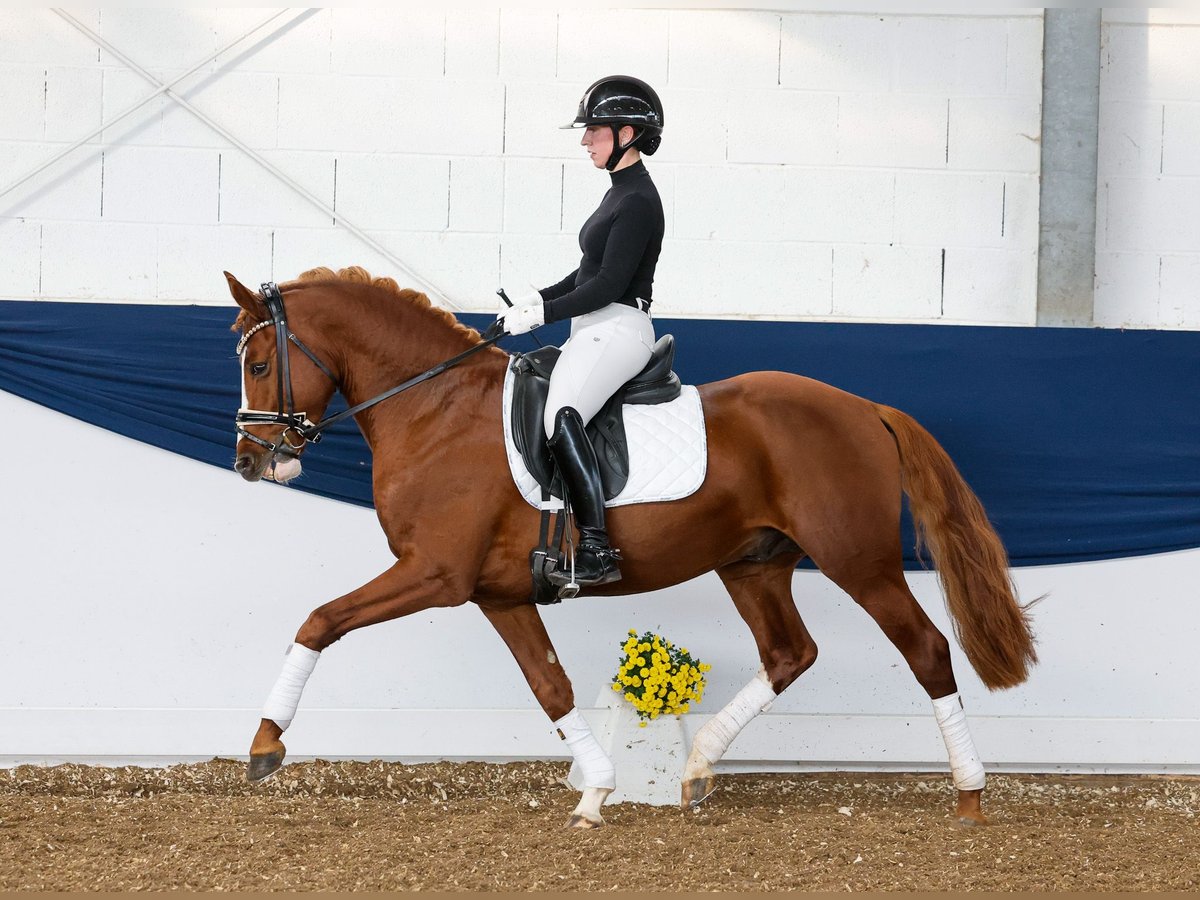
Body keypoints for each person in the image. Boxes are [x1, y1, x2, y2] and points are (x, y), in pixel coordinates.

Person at [498, 75, 666, 587]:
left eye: (594, 130)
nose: (585, 140)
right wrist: (538, 299)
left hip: (620, 325)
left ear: (628, 133)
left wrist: (541, 317)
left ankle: (597, 547)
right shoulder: (618, 195)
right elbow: (586, 274)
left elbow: (608, 285)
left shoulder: (637, 200)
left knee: (562, 414)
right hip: (596, 325)